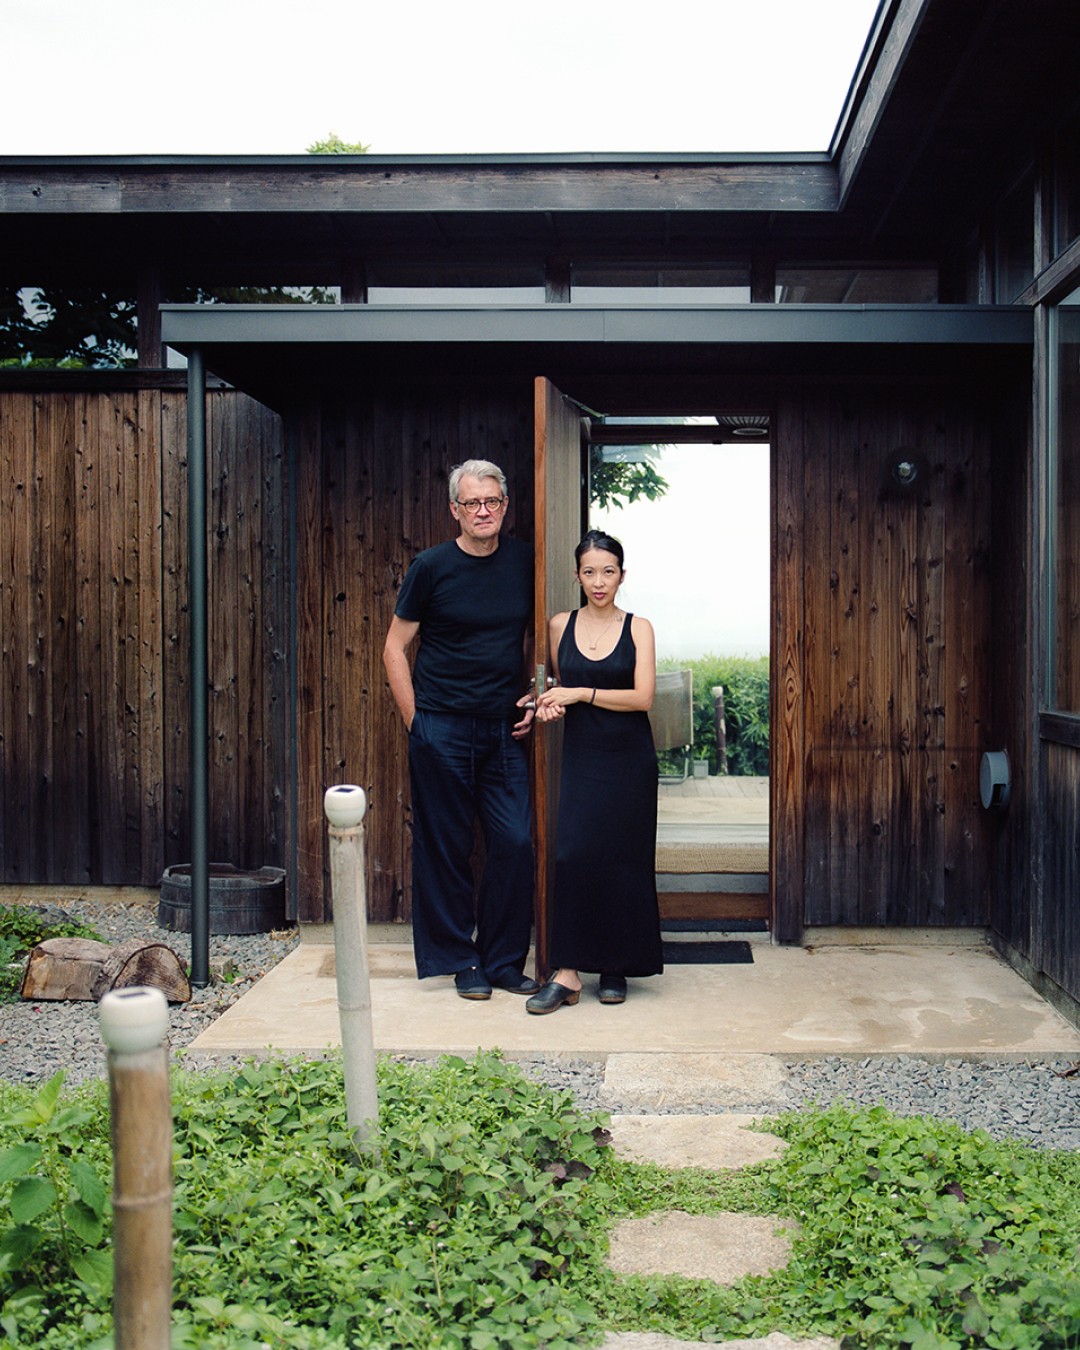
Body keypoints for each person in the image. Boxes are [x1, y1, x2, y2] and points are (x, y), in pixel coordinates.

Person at [382, 459, 540, 1000]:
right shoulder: (431, 567)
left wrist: (537, 690)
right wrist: (417, 723)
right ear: (455, 509)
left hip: (503, 732)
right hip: (441, 728)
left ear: (505, 505)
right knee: (445, 848)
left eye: (492, 501)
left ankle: (503, 961)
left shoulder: (525, 562)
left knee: (515, 842)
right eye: (472, 502)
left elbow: (537, 636)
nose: (483, 511)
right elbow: (394, 648)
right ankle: (461, 960)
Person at [524, 529, 663, 1014]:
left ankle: (615, 967)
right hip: (582, 756)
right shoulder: (559, 625)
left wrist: (581, 693)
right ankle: (566, 972)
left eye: (608, 571)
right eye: (589, 572)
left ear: (622, 575)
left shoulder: (639, 628)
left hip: (630, 759)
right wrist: (547, 702)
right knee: (573, 855)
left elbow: (643, 697)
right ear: (577, 575)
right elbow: (553, 684)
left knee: (623, 860)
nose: (599, 581)